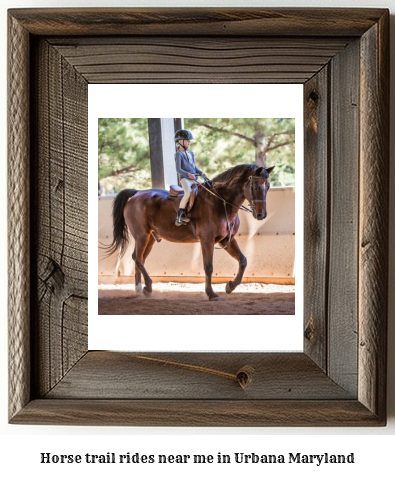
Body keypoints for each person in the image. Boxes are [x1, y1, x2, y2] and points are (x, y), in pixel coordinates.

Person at [174, 129, 206, 226]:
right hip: (185, 179)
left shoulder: (191, 153)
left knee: (205, 188)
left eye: (189, 140)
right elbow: (178, 169)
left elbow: (194, 167)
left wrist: (201, 173)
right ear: (180, 141)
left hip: (194, 178)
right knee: (188, 193)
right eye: (187, 140)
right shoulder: (178, 154)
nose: (189, 142)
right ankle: (180, 215)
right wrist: (188, 174)